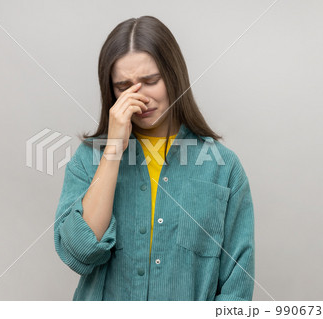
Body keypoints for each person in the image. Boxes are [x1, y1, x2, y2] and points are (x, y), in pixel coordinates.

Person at [54, 15, 255, 301]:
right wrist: (112, 151)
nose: (139, 97)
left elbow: (237, 288)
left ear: (173, 76)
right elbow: (80, 252)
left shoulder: (223, 167)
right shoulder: (89, 159)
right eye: (123, 86)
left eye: (150, 81)